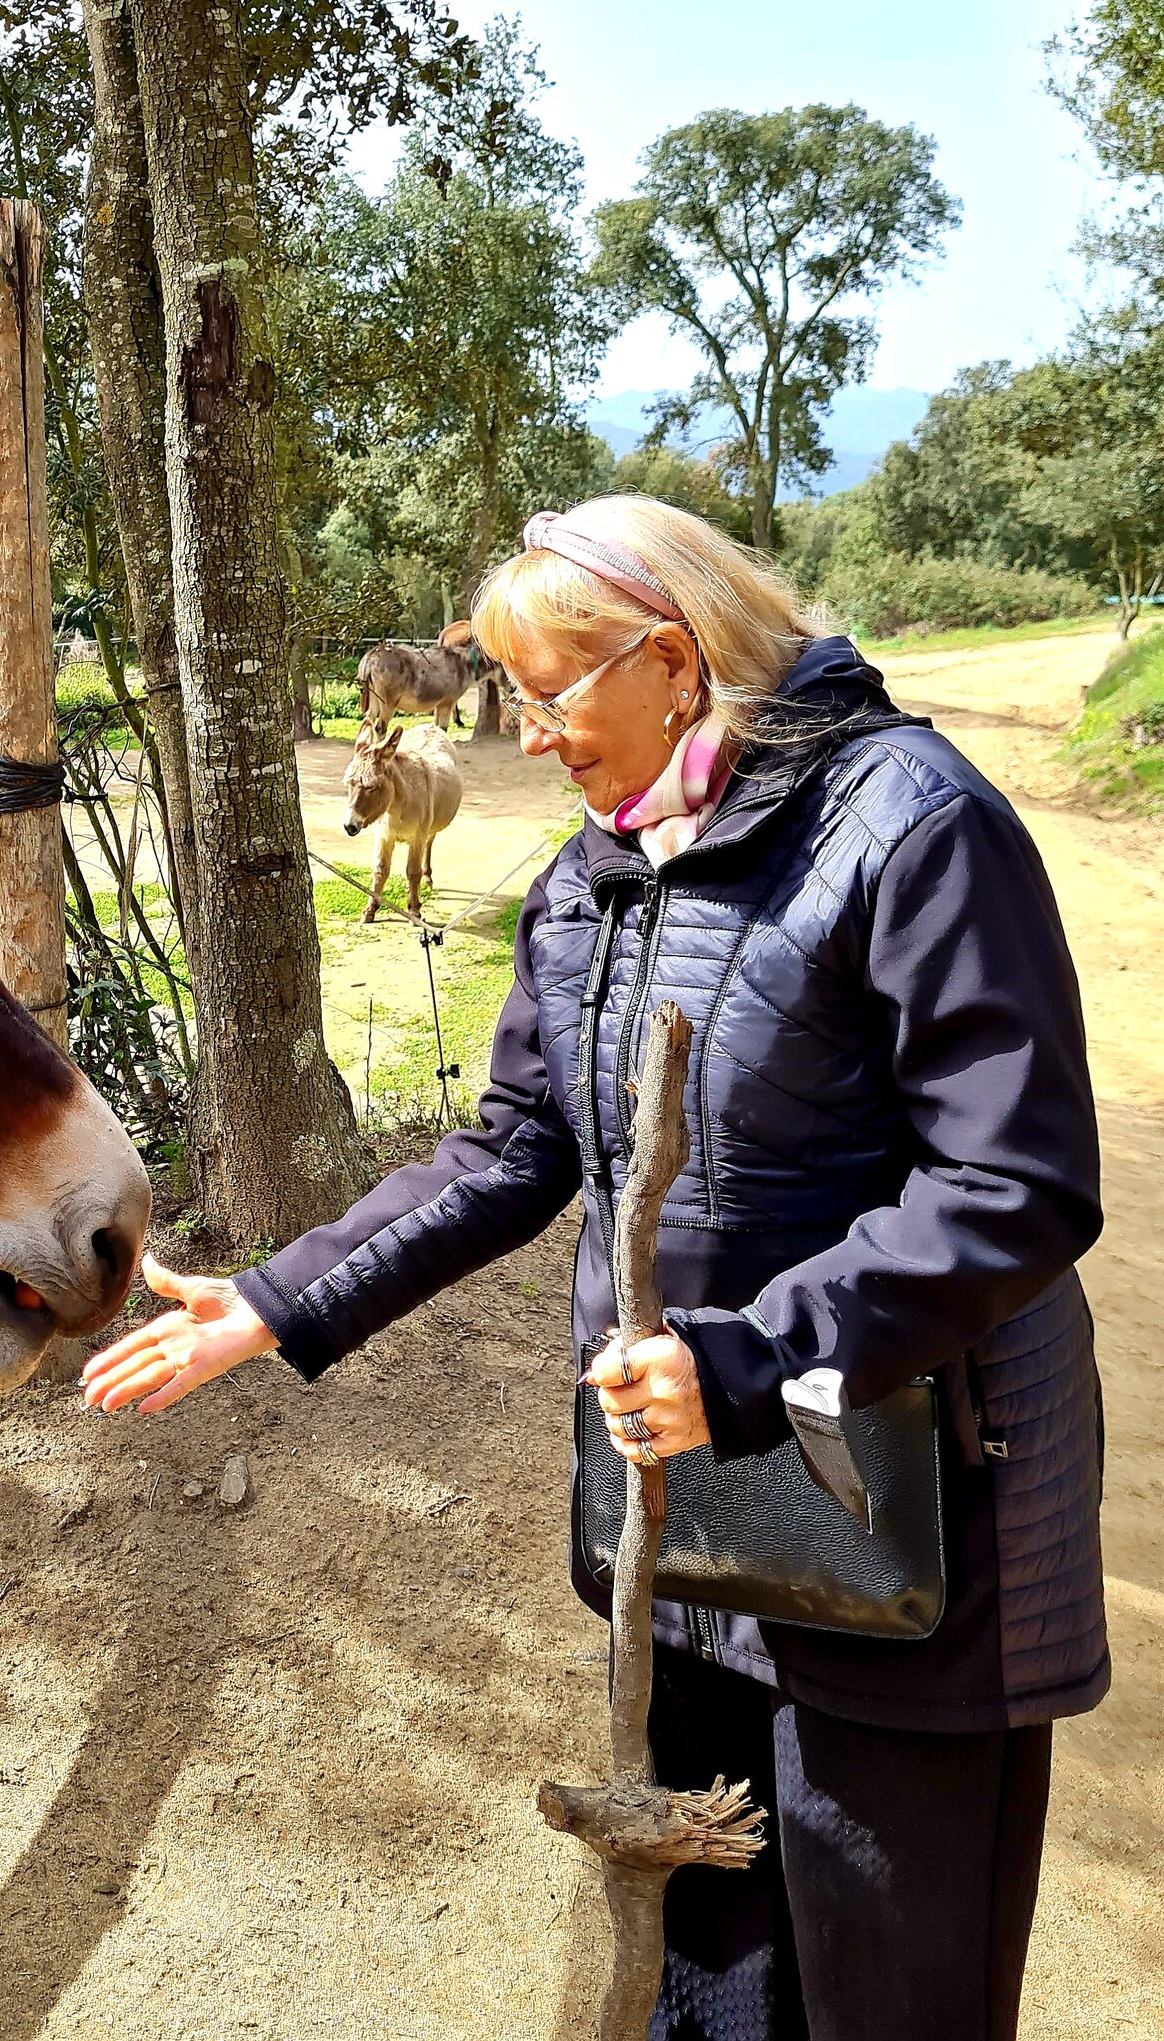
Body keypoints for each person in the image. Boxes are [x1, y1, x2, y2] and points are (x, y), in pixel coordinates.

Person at [81, 496, 1108, 2041]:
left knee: (891, 1966)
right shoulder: (601, 870)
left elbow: (1014, 1181)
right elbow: (512, 1149)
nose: (525, 735)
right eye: (505, 697)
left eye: (548, 693)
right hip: (682, 1488)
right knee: (710, 1931)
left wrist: (751, 1355)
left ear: (675, 663)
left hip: (911, 1499)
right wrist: (277, 1299)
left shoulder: (911, 822)